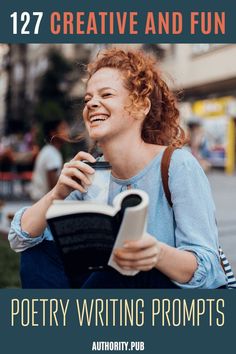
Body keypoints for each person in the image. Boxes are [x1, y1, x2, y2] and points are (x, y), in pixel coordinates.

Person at [8, 48, 227, 289]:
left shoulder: (177, 164)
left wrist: (154, 252)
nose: (92, 104)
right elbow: (20, 239)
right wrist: (56, 194)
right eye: (87, 98)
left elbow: (208, 269)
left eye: (106, 94)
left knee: (125, 266)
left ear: (141, 106)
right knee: (37, 252)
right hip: (111, 290)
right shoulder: (91, 173)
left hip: (168, 297)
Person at [28, 119, 69, 201]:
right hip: (42, 201)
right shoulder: (51, 154)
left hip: (40, 199)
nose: (67, 132)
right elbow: (53, 185)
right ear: (53, 133)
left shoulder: (50, 150)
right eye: (63, 128)